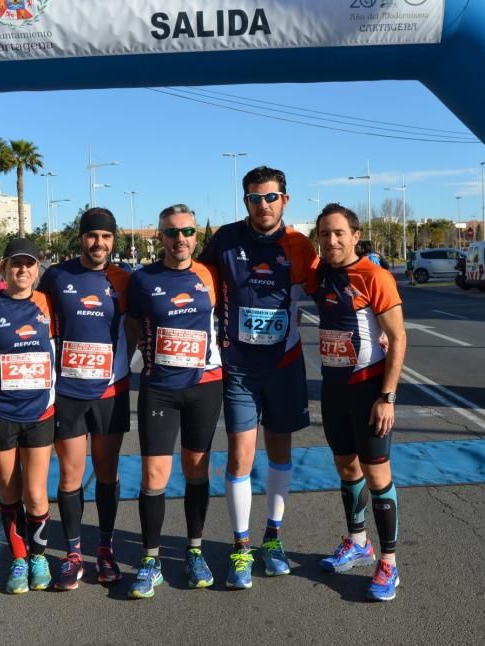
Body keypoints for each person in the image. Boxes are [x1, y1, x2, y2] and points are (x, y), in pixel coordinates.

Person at [198, 165, 318, 588]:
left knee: (280, 452)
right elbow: (196, 286)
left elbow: (330, 291)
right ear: (245, 201)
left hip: (284, 366)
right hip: (240, 369)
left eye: (270, 197)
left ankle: (273, 539)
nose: (263, 204)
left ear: (285, 200)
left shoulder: (299, 245)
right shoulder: (226, 240)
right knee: (239, 459)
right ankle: (241, 548)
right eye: (254, 197)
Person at [125, 204, 223, 598]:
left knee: (197, 470)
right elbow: (131, 330)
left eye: (187, 231)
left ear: (196, 236)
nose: (179, 238)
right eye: (171, 232)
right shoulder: (143, 279)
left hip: (205, 386)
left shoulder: (210, 275)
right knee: (154, 476)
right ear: (159, 236)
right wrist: (117, 377)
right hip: (159, 388)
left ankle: (194, 551)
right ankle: (150, 560)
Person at [311, 204, 406, 602]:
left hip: (369, 390)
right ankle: (357, 542)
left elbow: (398, 338)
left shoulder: (374, 275)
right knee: (347, 468)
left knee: (377, 475)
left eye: (338, 233)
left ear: (354, 235)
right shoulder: (318, 273)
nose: (331, 240)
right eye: (324, 234)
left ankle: (389, 562)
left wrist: (387, 397)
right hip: (333, 389)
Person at [37, 208, 133, 590]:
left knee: (106, 473)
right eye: (93, 236)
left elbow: (137, 328)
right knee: (71, 474)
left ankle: (105, 549)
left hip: (111, 392)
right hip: (70, 393)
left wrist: (124, 364)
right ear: (81, 238)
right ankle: (74, 553)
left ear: (114, 240)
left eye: (106, 237)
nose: (99, 243)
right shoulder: (58, 276)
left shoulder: (124, 279)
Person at [0, 238, 57, 594]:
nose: (22, 270)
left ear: (37, 270)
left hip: (39, 412)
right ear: (3, 268)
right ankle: (18, 559)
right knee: (9, 489)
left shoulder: (49, 304)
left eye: (29, 264)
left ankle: (39, 556)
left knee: (35, 494)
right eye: (16, 264)